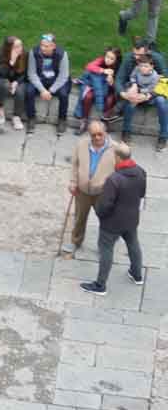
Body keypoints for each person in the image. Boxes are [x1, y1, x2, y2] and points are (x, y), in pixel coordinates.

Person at [79, 142, 146, 294]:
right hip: (131, 218)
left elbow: (105, 205)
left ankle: (100, 285)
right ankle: (137, 275)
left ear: (118, 157)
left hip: (112, 223)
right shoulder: (141, 172)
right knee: (133, 244)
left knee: (106, 250)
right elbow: (141, 193)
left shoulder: (114, 179)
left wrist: (100, 214)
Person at [63, 118, 116, 260]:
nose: (97, 137)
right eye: (93, 135)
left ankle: (105, 246)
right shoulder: (81, 145)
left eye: (100, 134)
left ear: (105, 133)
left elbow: (120, 172)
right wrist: (73, 181)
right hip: (83, 191)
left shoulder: (115, 149)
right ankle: (76, 241)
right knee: (79, 218)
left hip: (103, 192)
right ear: (89, 134)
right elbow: (75, 164)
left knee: (106, 221)